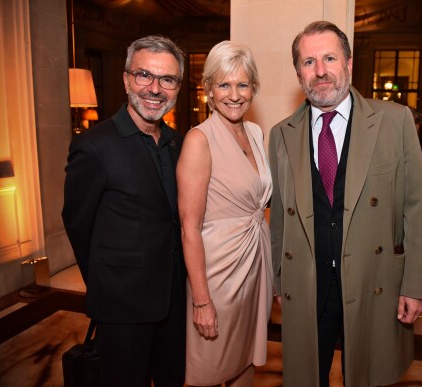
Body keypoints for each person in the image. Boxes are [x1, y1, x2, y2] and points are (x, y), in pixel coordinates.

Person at [269, 21, 422, 386]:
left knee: (367, 375)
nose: (321, 70)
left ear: (349, 64)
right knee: (308, 375)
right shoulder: (281, 134)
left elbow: (416, 207)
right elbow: (280, 214)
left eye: (329, 58)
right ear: (298, 73)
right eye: (309, 62)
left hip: (373, 280)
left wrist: (415, 284)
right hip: (310, 285)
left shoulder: (394, 121)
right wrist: (279, 280)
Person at [62, 35, 186, 387]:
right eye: (144, 75)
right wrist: (107, 284)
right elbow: (77, 224)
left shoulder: (180, 143)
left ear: (177, 87)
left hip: (174, 297)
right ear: (126, 78)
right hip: (122, 304)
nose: (155, 88)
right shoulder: (94, 146)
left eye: (167, 79)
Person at [177, 41, 272, 387]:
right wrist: (202, 300)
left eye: (243, 84)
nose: (234, 94)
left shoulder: (257, 133)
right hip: (217, 274)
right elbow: (189, 229)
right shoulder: (198, 141)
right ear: (208, 90)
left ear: (253, 89)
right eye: (224, 84)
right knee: (209, 369)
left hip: (254, 266)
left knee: (245, 360)